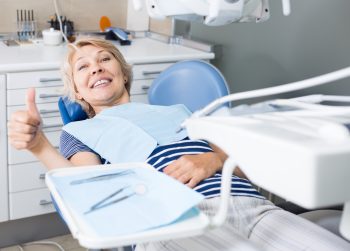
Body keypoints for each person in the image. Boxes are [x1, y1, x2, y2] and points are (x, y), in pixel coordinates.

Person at [8, 38, 350, 251]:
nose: (96, 66)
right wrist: (39, 146)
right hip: (174, 223)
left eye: (104, 59)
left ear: (124, 73)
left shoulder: (179, 112)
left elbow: (247, 168)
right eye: (83, 66)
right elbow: (85, 188)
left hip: (251, 207)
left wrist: (214, 159)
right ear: (79, 93)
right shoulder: (83, 132)